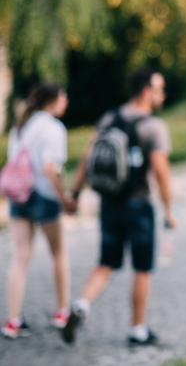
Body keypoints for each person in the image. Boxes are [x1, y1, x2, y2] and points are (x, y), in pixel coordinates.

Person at [62, 68, 176, 347]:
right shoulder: (152, 126)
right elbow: (161, 172)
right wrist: (169, 210)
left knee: (106, 263)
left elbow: (88, 159)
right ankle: (137, 329)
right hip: (139, 204)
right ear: (147, 91)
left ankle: (82, 304)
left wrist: (75, 194)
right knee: (142, 268)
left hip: (109, 204)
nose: (162, 94)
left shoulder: (108, 118)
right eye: (159, 88)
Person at [3, 83, 73, 339]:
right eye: (64, 98)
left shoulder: (20, 126)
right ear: (53, 100)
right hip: (44, 195)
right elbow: (49, 169)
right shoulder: (54, 128)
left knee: (20, 257)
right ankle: (62, 312)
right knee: (58, 253)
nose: (66, 102)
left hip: (18, 195)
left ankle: (13, 320)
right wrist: (63, 198)